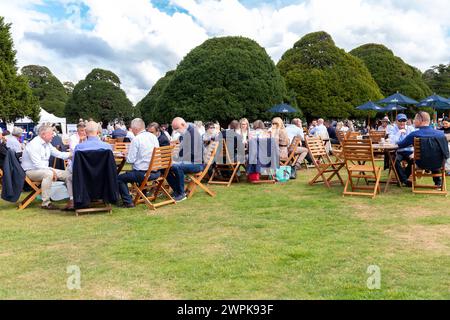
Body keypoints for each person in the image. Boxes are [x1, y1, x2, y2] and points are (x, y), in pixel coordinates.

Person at [21, 125, 73, 210]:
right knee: (48, 174)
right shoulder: (34, 144)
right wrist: (52, 170)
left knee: (68, 174)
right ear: (43, 134)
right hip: (30, 172)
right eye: (51, 134)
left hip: (43, 169)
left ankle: (72, 200)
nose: (53, 135)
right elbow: (38, 165)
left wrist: (72, 155)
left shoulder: (47, 143)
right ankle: (46, 203)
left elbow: (58, 153)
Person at [397, 111, 448, 187]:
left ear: (421, 120)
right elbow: (446, 152)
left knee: (401, 155)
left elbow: (400, 145)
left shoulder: (415, 134)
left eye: (415, 119)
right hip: (439, 164)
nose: (414, 121)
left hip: (421, 164)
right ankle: (438, 182)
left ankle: (403, 179)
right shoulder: (440, 134)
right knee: (433, 156)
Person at [117, 118, 159, 208]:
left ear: (135, 129)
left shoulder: (136, 139)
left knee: (119, 178)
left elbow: (130, 161)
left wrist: (125, 155)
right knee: (139, 168)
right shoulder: (153, 137)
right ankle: (142, 195)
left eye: (132, 129)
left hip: (144, 174)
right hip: (156, 172)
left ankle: (128, 202)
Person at [166, 117, 204, 202]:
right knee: (166, 168)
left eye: (177, 129)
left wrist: (178, 160)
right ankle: (177, 191)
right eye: (174, 129)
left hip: (197, 163)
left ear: (183, 125)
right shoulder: (187, 132)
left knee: (177, 167)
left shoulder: (193, 133)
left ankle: (181, 194)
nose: (176, 131)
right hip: (190, 161)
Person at [390, 113, 416, 187]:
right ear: (396, 121)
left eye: (404, 121)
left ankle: (402, 180)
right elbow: (392, 141)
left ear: (406, 121)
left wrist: (414, 152)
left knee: (414, 160)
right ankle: (405, 180)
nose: (402, 122)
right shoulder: (393, 128)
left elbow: (415, 141)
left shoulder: (411, 128)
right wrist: (399, 132)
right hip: (398, 151)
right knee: (394, 160)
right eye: (400, 120)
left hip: (409, 151)